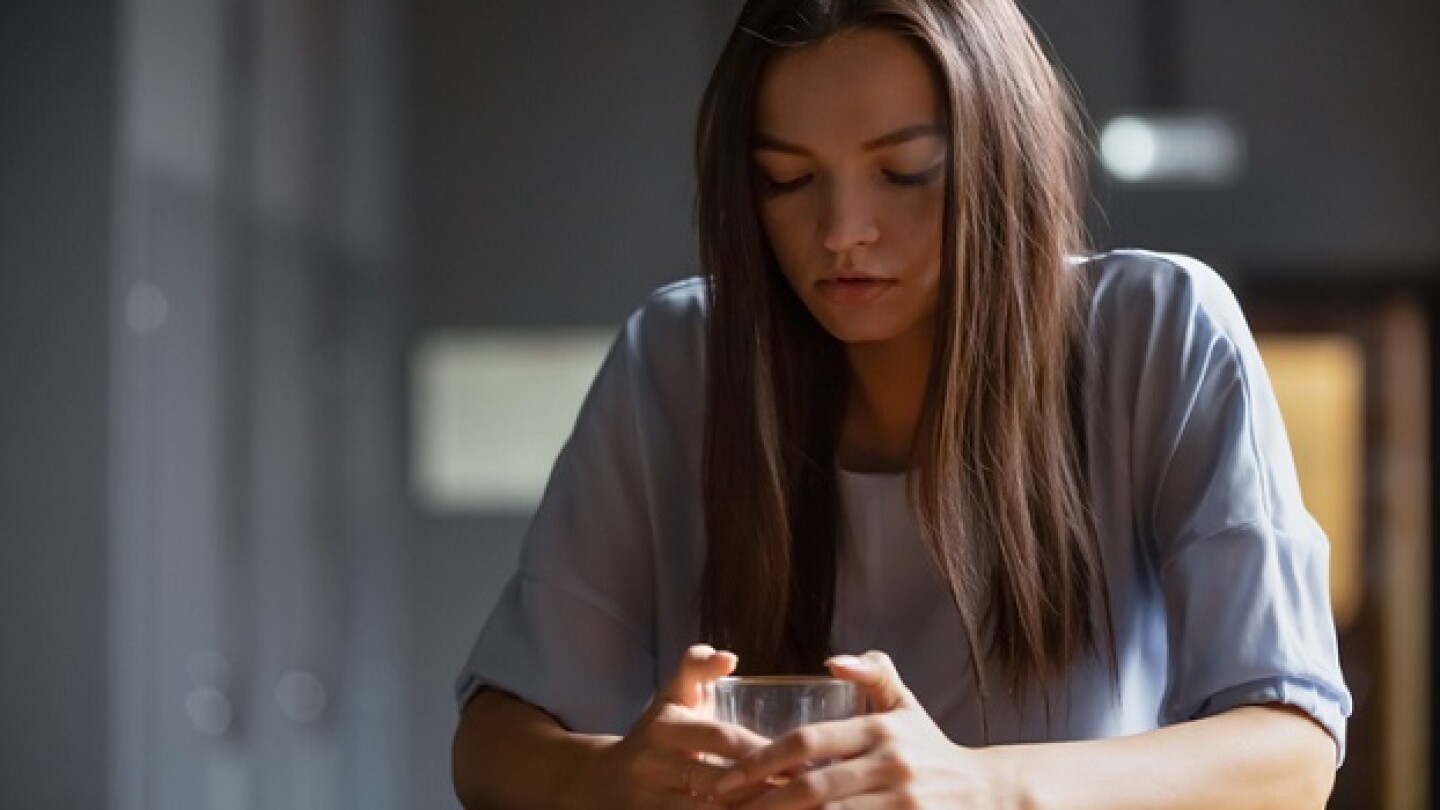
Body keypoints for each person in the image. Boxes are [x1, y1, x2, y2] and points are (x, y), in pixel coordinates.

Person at [451, 0, 1352, 806]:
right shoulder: (679, 357)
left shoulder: (1158, 334)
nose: (841, 232)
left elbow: (1289, 751)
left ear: (1003, 163)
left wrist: (980, 786)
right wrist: (603, 779)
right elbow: (494, 739)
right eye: (787, 180)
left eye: (906, 171)